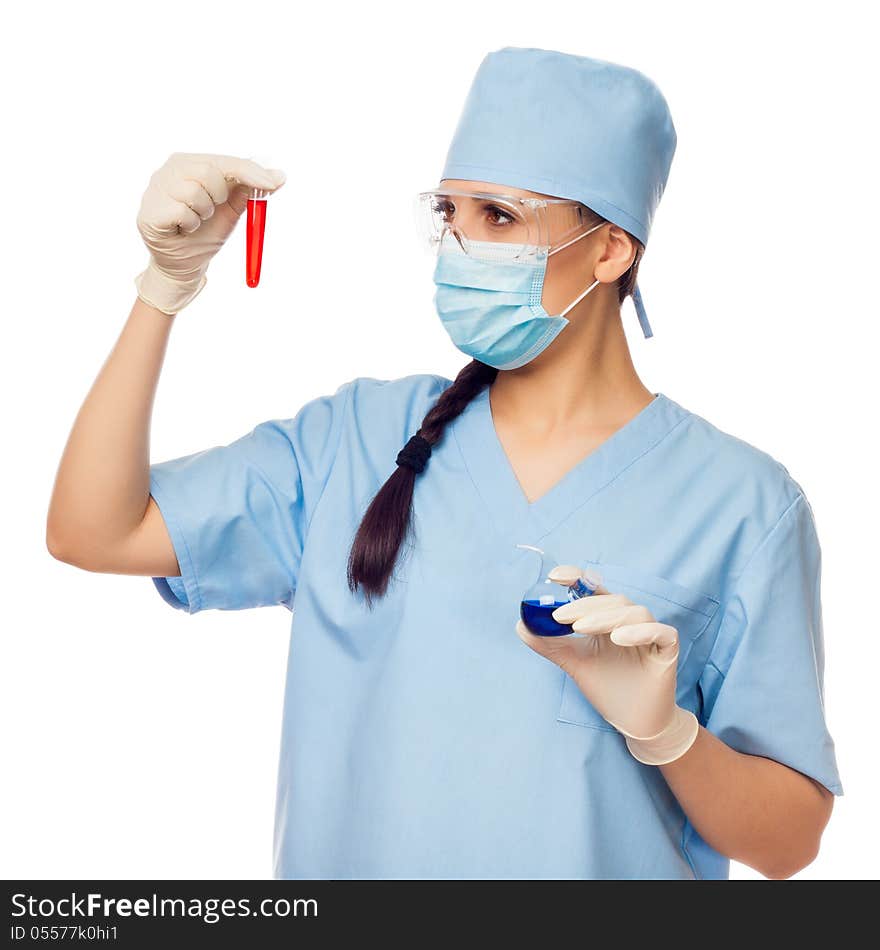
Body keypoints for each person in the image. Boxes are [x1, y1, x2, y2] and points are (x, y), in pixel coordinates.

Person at [46, 47, 842, 880]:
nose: (458, 245)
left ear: (610, 252)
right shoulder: (356, 439)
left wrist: (666, 733)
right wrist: (163, 287)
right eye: (449, 213)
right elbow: (91, 532)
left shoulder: (742, 503)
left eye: (498, 217)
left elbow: (790, 843)